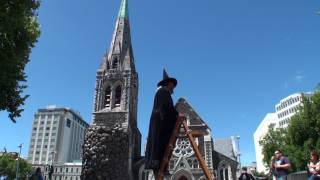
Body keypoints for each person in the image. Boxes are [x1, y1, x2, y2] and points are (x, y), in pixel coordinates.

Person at [145, 69, 179, 177]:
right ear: (168, 84)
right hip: (160, 124)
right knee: (160, 145)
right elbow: (168, 108)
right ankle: (160, 167)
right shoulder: (163, 93)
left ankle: (162, 168)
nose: (173, 89)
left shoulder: (162, 93)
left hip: (160, 123)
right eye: (172, 86)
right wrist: (177, 115)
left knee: (161, 145)